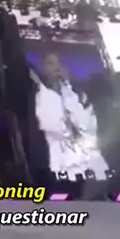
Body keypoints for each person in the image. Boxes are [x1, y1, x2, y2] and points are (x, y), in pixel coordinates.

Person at [32, 52, 109, 181]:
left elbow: (87, 123)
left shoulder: (77, 93)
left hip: (91, 161)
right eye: (50, 63)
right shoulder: (42, 97)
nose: (57, 68)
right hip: (64, 164)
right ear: (43, 69)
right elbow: (54, 127)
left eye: (59, 63)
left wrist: (68, 89)